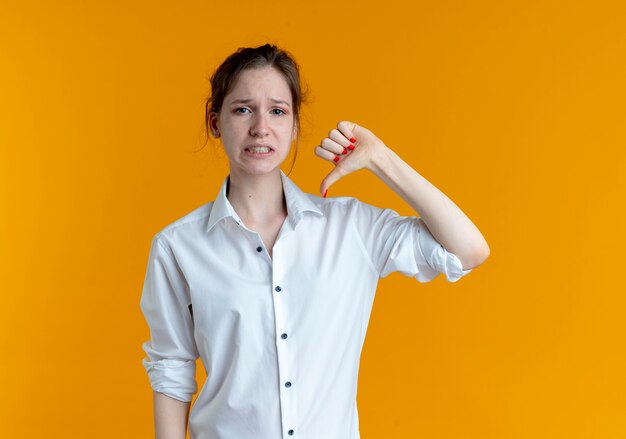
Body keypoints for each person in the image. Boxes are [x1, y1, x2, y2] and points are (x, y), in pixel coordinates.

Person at [139, 43, 489, 439]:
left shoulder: (351, 227)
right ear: (215, 121)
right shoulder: (177, 247)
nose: (260, 127)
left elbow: (468, 251)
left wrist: (380, 159)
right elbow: (172, 370)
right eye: (242, 109)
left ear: (294, 125)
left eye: (277, 110)